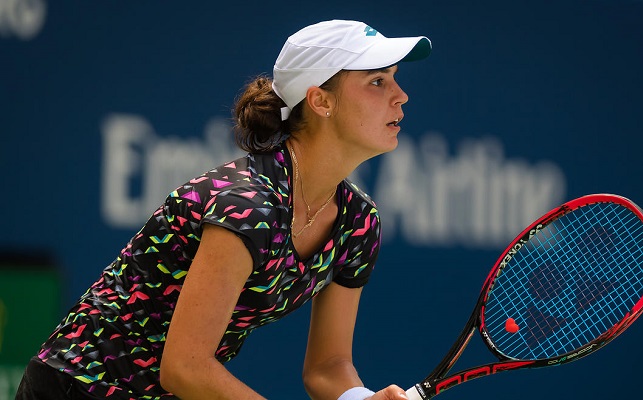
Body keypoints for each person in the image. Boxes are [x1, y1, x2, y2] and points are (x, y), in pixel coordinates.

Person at [15, 19, 431, 400]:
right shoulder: (247, 206)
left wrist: (359, 397)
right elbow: (186, 368)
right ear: (321, 101)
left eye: (394, 79)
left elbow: (328, 367)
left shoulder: (358, 222)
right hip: (75, 386)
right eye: (377, 81)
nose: (401, 96)